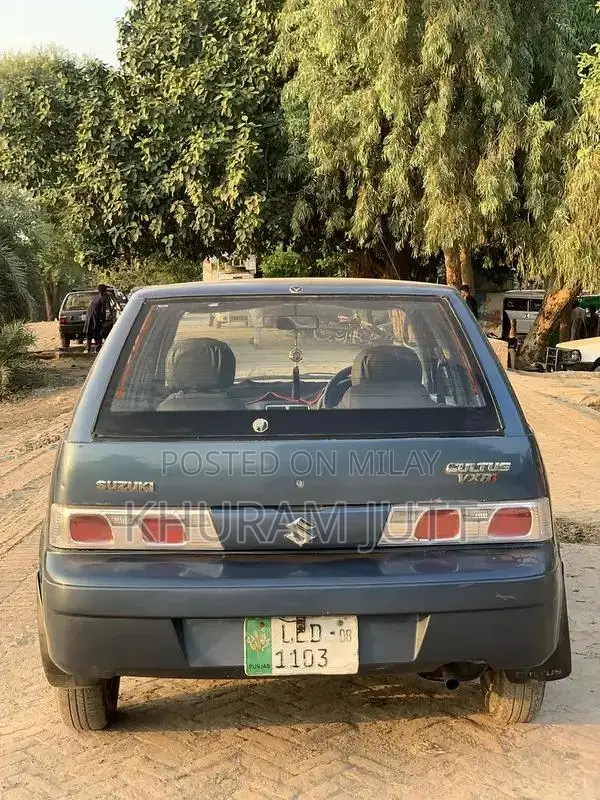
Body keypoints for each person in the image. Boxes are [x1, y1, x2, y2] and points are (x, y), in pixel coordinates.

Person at [84, 284, 108, 354]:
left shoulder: (93, 298)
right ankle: (97, 349)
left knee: (89, 333)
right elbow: (102, 312)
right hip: (96, 318)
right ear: (105, 291)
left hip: (89, 317)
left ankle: (88, 348)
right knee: (97, 334)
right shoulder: (103, 299)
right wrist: (103, 322)